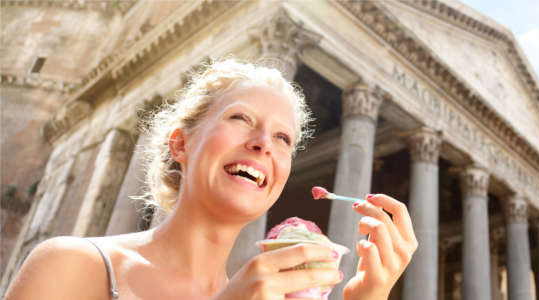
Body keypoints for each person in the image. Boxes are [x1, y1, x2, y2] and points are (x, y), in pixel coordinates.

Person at [5, 59, 418, 300]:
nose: (263, 145)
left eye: (282, 138)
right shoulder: (70, 265)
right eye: (240, 118)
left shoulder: (262, 294)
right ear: (180, 144)